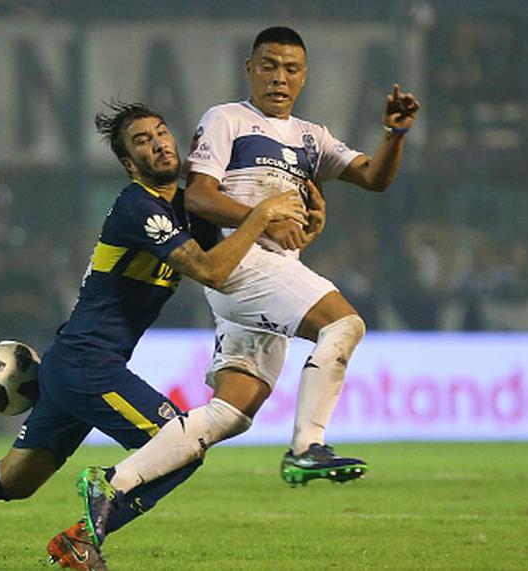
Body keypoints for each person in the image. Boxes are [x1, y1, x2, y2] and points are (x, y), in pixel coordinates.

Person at [0, 101, 320, 570]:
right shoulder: (139, 207)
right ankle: (83, 538)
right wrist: (260, 214)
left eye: (161, 133)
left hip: (75, 362)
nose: (158, 145)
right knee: (181, 447)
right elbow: (212, 271)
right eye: (142, 142)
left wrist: (298, 222)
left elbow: (243, 253)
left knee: (14, 478)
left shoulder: (189, 207)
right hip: (89, 364)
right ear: (129, 164)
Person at [76, 26, 420, 538]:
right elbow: (198, 197)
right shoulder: (226, 119)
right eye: (269, 65)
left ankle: (115, 480)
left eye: (291, 68)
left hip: (267, 279)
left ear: (304, 76)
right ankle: (307, 447)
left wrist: (393, 135)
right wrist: (261, 214)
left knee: (232, 413)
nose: (279, 77)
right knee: (344, 325)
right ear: (249, 69)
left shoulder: (312, 136)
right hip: (244, 266)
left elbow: (373, 178)